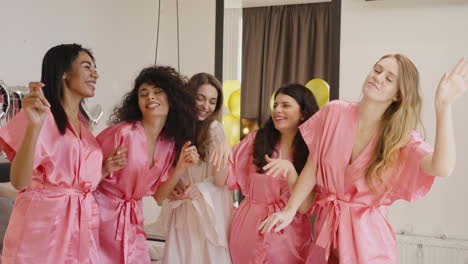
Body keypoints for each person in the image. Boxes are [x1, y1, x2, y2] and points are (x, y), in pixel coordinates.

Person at [259, 55, 468, 263]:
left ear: (398, 95)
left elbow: (442, 168)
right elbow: (313, 167)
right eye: (377, 70)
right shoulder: (335, 111)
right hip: (327, 233)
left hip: (368, 242)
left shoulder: (400, 137)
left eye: (389, 78)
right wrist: (289, 210)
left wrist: (444, 107)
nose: (378, 77)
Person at [0, 44, 125, 263]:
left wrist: (104, 169)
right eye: (87, 67)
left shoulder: (84, 129)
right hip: (43, 228)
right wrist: (33, 126)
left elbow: (77, 184)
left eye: (95, 68)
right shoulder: (39, 116)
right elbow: (19, 181)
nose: (95, 73)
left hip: (81, 228)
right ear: (64, 72)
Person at [93, 65, 199, 264]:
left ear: (172, 99)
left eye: (158, 92)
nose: (150, 97)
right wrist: (104, 169)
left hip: (132, 219)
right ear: (137, 101)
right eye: (144, 93)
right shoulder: (121, 133)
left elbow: (159, 196)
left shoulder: (168, 143)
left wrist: (181, 167)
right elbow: (84, 179)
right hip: (100, 217)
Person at [214, 84, 319, 263]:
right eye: (275, 105)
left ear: (303, 113)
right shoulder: (256, 141)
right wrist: (222, 146)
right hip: (248, 228)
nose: (277, 110)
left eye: (285, 105)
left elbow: (305, 207)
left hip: (289, 236)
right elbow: (222, 179)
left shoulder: (312, 151)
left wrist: (290, 171)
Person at [157, 73, 233, 264]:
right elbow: (163, 172)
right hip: (182, 209)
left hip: (206, 212)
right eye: (200, 98)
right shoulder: (173, 129)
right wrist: (172, 188)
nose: (205, 106)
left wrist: (200, 188)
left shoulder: (214, 129)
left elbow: (220, 181)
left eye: (212, 101)